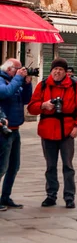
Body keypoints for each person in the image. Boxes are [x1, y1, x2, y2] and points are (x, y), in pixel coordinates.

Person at [27, 58, 77, 209]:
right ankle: (51, 195)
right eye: (55, 69)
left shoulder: (74, 86)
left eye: (60, 69)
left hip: (67, 131)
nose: (57, 72)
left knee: (68, 166)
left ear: (65, 72)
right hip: (47, 130)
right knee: (50, 166)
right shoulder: (43, 86)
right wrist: (43, 105)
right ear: (51, 70)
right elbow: (31, 107)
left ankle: (69, 196)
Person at [0, 59, 32, 210]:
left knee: (14, 166)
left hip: (15, 129)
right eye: (18, 69)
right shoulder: (1, 80)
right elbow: (5, 93)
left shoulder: (15, 81)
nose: (20, 71)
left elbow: (26, 99)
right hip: (3, 130)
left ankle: (5, 197)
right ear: (9, 68)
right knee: (2, 167)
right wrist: (19, 79)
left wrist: (27, 84)